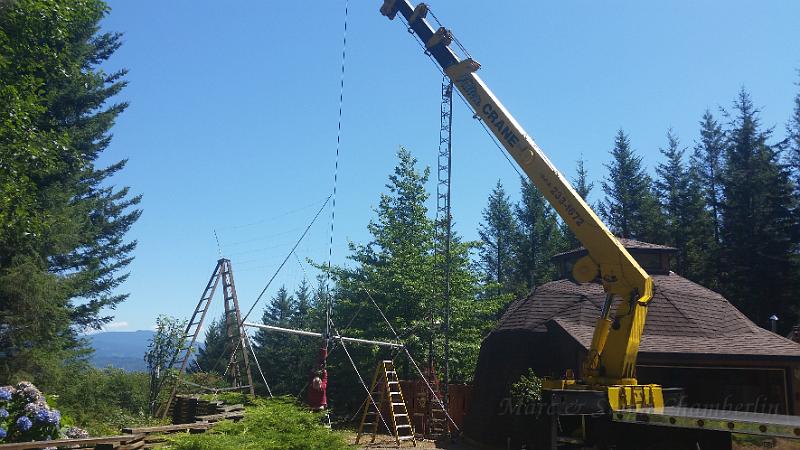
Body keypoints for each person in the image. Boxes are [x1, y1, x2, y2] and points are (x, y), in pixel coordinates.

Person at [307, 345, 328, 411]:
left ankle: (323, 347)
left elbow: (324, 379)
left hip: (318, 405)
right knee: (322, 359)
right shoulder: (320, 386)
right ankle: (323, 348)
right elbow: (324, 379)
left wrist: (324, 372)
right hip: (316, 405)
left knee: (318, 408)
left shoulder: (317, 387)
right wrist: (324, 372)